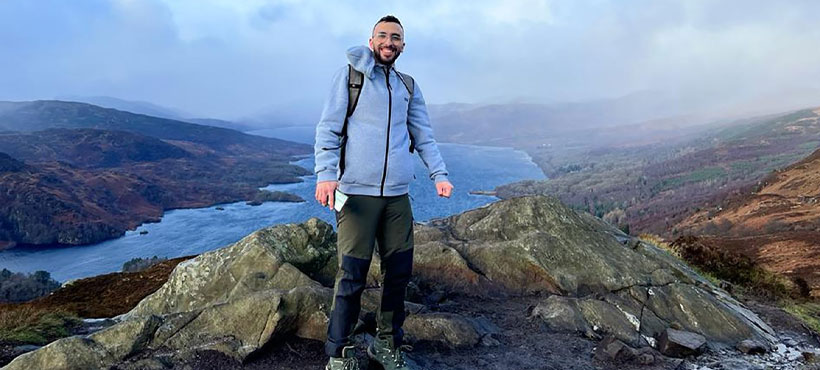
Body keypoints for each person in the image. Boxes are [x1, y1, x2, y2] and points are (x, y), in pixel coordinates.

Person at [314, 14, 453, 370]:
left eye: (396, 37)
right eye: (383, 35)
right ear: (371, 40)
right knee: (352, 275)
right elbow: (328, 129)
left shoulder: (408, 86)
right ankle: (339, 355)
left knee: (399, 273)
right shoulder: (351, 77)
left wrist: (439, 174)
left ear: (403, 45)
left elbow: (423, 135)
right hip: (356, 197)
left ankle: (386, 344)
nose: (389, 42)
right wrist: (325, 175)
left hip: (396, 197)